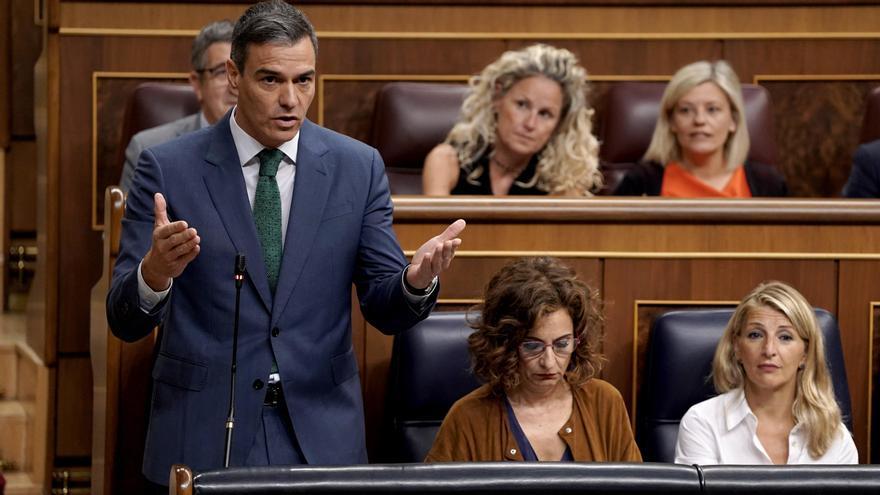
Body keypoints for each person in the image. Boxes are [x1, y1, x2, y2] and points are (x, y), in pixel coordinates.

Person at [106, 0, 465, 488]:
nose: (291, 100)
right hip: (207, 429)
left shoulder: (357, 168)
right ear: (233, 76)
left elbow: (384, 308)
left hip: (320, 433)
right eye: (271, 80)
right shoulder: (168, 168)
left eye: (304, 81)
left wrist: (415, 282)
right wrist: (154, 274)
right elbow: (123, 319)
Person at [425, 257, 641, 462]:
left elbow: (637, 493)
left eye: (562, 344)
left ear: (578, 340)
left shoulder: (605, 403)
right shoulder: (467, 417)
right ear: (505, 344)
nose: (549, 362)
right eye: (532, 346)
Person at [674, 281, 858, 464]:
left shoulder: (835, 438)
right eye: (756, 335)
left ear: (805, 353)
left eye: (785, 337)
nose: (769, 350)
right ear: (737, 347)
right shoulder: (703, 423)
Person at [421, 44, 602, 196]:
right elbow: (438, 235)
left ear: (559, 123)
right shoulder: (446, 161)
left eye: (545, 114)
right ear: (497, 97)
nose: (530, 124)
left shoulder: (565, 180)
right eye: (522, 105)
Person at [615, 60, 787, 197]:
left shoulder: (768, 184)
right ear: (671, 122)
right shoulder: (641, 182)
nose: (699, 120)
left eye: (712, 109)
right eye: (685, 110)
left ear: (733, 120)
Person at [119, 20, 238, 193]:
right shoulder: (148, 148)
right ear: (197, 84)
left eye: (240, 73)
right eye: (221, 72)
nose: (234, 85)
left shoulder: (272, 147)